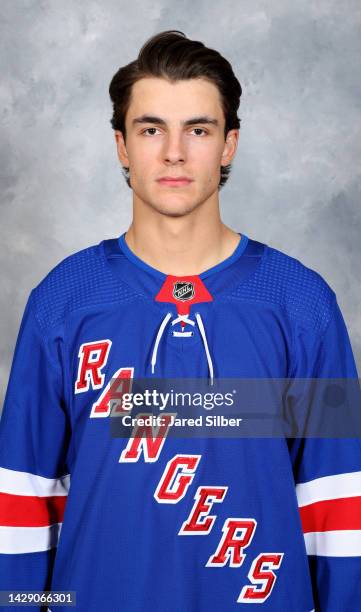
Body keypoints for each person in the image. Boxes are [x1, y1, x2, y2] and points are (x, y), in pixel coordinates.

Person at [0, 30, 360, 612]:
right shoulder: (63, 301)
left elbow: (336, 505)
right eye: (150, 129)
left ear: (228, 145)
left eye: (198, 129)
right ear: (121, 146)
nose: (174, 153)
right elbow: (21, 500)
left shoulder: (301, 303)